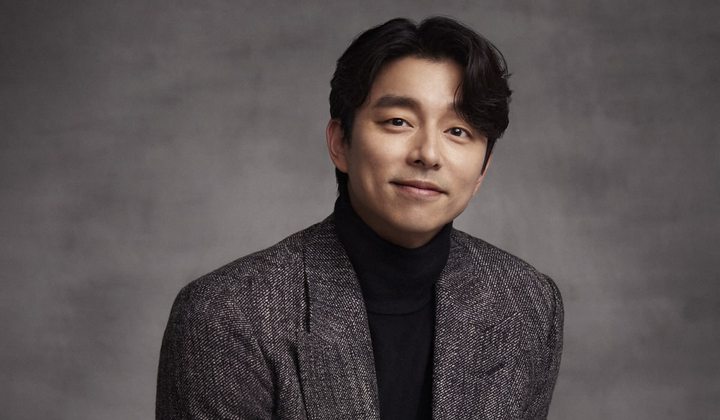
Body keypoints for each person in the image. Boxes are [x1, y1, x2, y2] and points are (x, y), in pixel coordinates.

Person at [156, 16, 563, 420]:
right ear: (340, 143)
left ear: (482, 170)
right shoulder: (227, 315)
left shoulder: (527, 303)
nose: (428, 154)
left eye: (458, 131)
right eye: (398, 122)